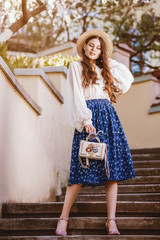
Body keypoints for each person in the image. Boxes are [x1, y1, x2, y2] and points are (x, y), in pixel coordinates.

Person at [55, 29, 136, 236]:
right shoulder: (75, 67)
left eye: (99, 48)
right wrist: (86, 120)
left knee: (112, 173)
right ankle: (63, 219)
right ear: (83, 46)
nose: (94, 49)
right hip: (89, 121)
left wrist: (108, 60)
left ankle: (111, 221)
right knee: (79, 170)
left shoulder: (105, 69)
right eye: (91, 45)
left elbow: (127, 79)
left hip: (109, 119)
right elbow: (77, 96)